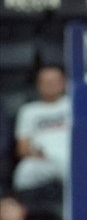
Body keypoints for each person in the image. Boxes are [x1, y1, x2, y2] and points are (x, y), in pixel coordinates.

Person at [12, 64, 70, 208]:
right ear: (38, 84)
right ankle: (25, 212)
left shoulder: (74, 105)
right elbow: (22, 148)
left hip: (70, 158)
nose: (50, 85)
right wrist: (34, 153)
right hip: (42, 160)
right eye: (45, 82)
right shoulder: (29, 111)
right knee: (24, 171)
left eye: (54, 81)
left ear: (64, 83)